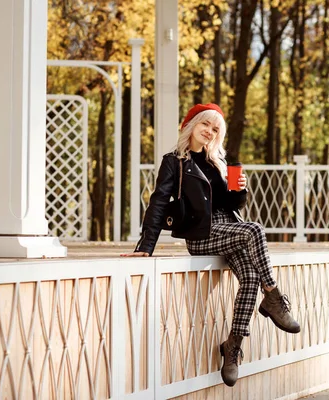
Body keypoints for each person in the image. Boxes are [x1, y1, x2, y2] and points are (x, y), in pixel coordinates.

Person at [121, 103, 300, 387]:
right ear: (191, 125)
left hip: (228, 228)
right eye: (205, 124)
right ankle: (274, 297)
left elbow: (232, 205)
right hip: (202, 233)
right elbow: (158, 202)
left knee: (250, 275)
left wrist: (239, 189)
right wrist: (147, 244)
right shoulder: (174, 161)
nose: (209, 131)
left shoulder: (223, 161)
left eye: (215, 128)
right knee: (254, 229)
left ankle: (233, 347)